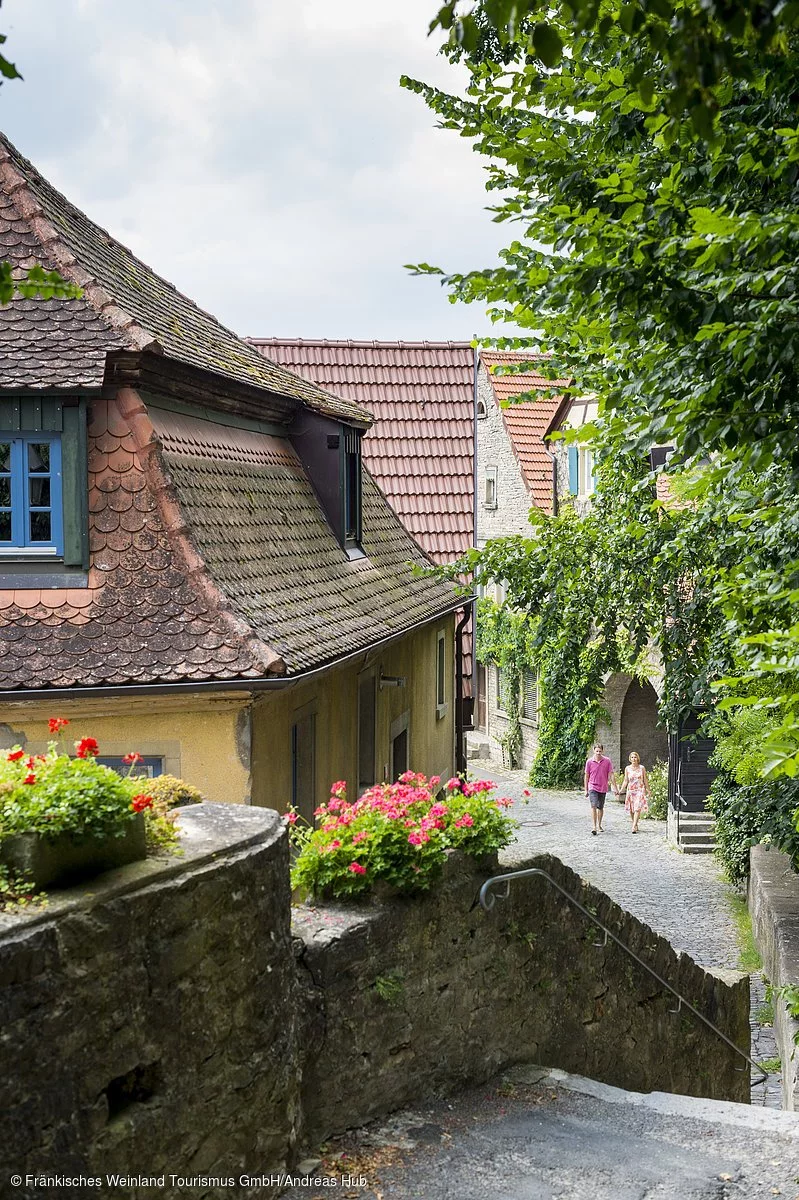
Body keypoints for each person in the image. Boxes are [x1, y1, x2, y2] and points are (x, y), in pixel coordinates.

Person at [583, 742, 617, 835]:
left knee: (600, 807)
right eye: (596, 751)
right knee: (593, 805)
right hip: (592, 786)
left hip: (603, 787)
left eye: (600, 751)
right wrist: (586, 789)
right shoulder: (589, 762)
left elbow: (611, 775)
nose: (598, 753)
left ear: (602, 751)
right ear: (593, 751)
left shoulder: (607, 761)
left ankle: (599, 824)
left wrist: (615, 787)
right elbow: (586, 776)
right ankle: (594, 826)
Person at [622, 751, 651, 833]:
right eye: (632, 757)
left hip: (640, 790)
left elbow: (645, 779)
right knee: (631, 809)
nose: (633, 759)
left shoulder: (642, 768)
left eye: (635, 757)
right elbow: (625, 780)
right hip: (631, 790)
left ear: (638, 758)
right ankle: (635, 823)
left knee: (637, 808)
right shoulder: (627, 768)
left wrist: (648, 789)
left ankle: (634, 826)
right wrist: (621, 790)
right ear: (630, 759)